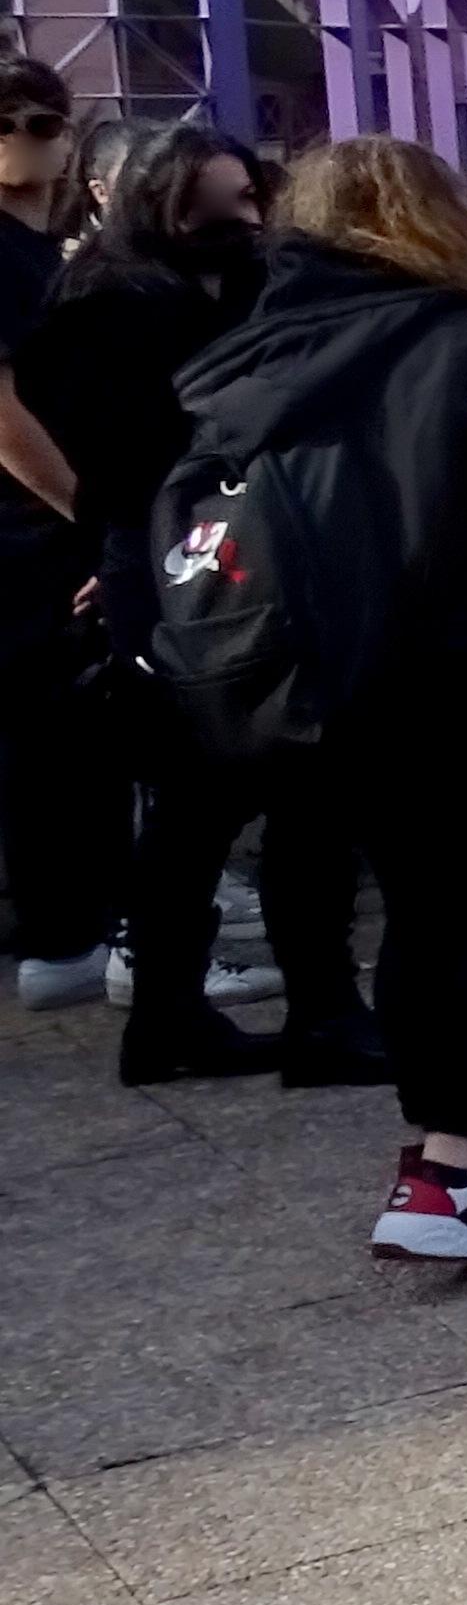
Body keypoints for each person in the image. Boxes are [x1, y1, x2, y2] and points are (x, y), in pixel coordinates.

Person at [183, 141, 467, 1265]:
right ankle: (450, 1170)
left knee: (427, 912)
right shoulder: (463, 342)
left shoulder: (260, 347)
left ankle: (447, 1137)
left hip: (335, 678)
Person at [19, 123, 361, 1083]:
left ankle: (288, 1007)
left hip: (228, 562)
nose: (238, 223)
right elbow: (125, 454)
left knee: (268, 796)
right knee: (205, 799)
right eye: (213, 204)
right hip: (182, 567)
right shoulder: (107, 309)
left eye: (248, 201)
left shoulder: (248, 289)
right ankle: (198, 1013)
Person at [0, 57, 105, 1011]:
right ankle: (60, 932)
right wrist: (88, 514)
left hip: (48, 529)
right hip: (26, 534)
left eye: (43, 116)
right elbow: (3, 420)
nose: (28, 134)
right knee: (47, 736)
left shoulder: (46, 250)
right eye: (10, 119)